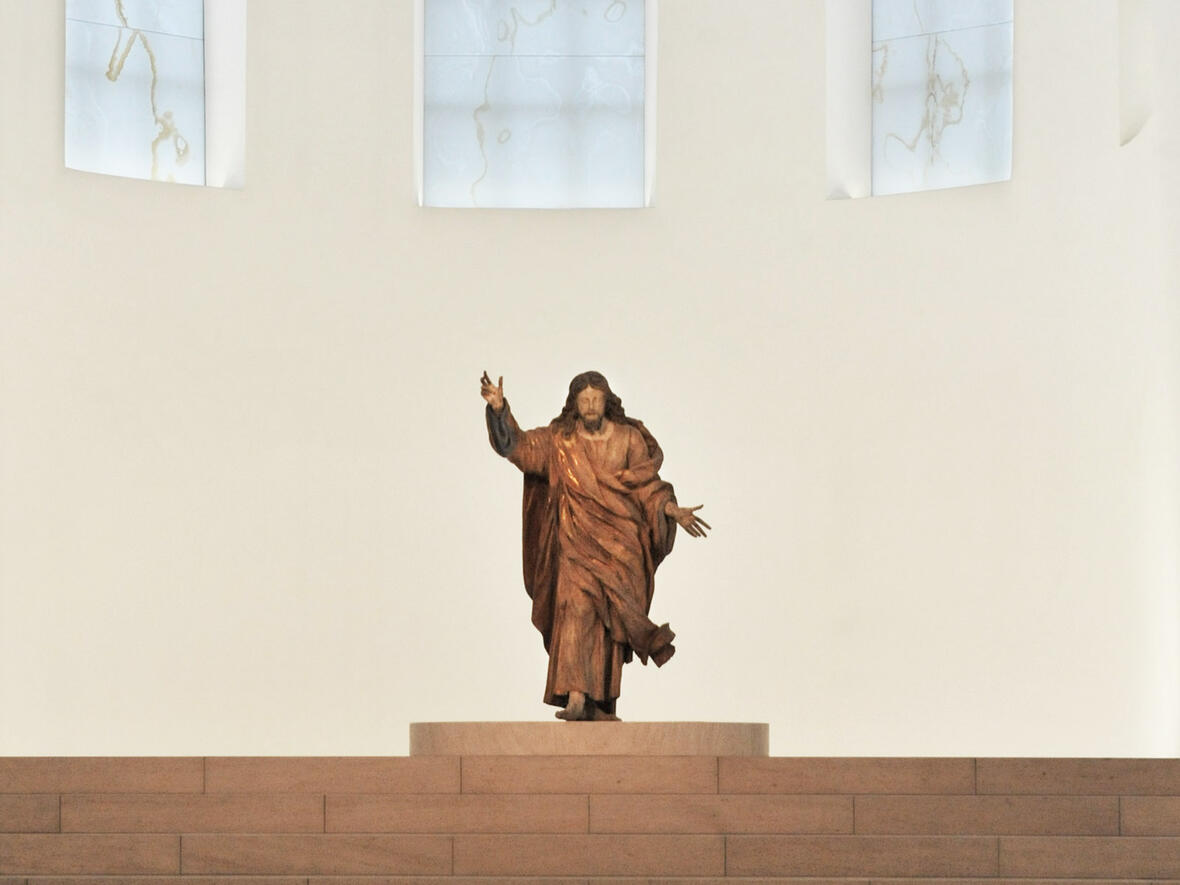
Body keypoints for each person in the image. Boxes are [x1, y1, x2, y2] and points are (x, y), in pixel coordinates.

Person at [481, 370, 709, 721]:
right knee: (575, 608)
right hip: (574, 542)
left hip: (620, 548)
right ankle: (575, 695)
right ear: (574, 404)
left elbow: (648, 485)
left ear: (607, 401)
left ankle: (599, 702)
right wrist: (499, 410)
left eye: (595, 398)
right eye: (583, 399)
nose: (589, 405)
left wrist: (670, 509)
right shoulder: (560, 441)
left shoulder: (628, 440)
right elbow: (521, 449)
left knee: (608, 624)